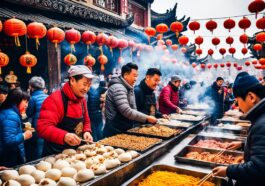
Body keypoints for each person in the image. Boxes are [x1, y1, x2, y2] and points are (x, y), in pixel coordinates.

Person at [213, 75, 265, 186]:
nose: (238, 106)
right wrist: (243, 144)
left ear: (251, 97)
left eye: (237, 101)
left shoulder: (262, 124)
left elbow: (259, 168)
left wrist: (228, 171)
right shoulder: (260, 117)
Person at [37, 65, 93, 156]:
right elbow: (43, 128)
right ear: (72, 81)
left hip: (77, 153)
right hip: (56, 154)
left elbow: (86, 120)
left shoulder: (82, 100)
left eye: (89, 85)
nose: (86, 89)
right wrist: (64, 136)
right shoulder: (55, 99)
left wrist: (86, 131)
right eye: (84, 84)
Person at [103, 63, 157, 137]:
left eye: (137, 76)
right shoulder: (118, 88)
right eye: (134, 76)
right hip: (114, 130)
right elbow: (126, 111)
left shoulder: (129, 88)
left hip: (123, 128)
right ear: (125, 75)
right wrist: (146, 118)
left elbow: (133, 109)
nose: (136, 79)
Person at [0, 88, 32, 167]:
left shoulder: (8, 111)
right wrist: (24, 136)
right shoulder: (11, 115)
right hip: (8, 156)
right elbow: (9, 140)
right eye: (25, 101)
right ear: (17, 101)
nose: (27, 105)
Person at [25, 77, 48, 162]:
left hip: (38, 127)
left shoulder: (33, 98)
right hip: (49, 125)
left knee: (38, 148)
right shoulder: (48, 97)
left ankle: (38, 163)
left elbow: (28, 113)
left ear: (31, 87)